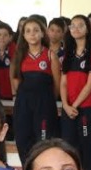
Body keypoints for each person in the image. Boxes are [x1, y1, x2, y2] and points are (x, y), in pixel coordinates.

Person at [59, 14, 91, 170]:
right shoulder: (67, 53)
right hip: (69, 110)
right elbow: (63, 83)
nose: (75, 28)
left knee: (88, 149)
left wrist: (74, 105)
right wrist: (66, 105)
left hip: (86, 109)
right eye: (72, 25)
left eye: (80, 25)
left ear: (87, 29)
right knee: (69, 148)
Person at [10, 16, 60, 159]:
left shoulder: (50, 56)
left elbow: (56, 85)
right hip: (23, 104)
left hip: (44, 105)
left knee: (43, 143)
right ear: (24, 35)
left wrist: (47, 101)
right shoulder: (19, 56)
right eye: (28, 31)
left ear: (43, 33)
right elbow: (16, 81)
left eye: (36, 30)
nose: (32, 34)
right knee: (23, 140)